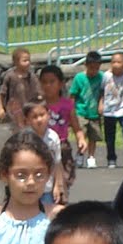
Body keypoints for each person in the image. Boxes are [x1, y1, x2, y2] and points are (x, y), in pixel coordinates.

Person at [40, 63, 82, 203]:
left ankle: (61, 204)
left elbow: (75, 124)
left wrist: (80, 138)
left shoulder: (67, 104)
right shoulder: (39, 105)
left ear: (60, 84)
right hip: (42, 146)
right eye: (44, 82)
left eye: (52, 82)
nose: (48, 86)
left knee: (64, 178)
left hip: (62, 147)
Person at [68, 51, 104, 171]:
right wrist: (70, 111)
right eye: (92, 68)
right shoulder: (79, 78)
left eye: (97, 68)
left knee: (93, 136)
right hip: (81, 111)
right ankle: (80, 154)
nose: (94, 71)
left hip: (94, 112)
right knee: (81, 134)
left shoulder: (101, 77)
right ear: (86, 65)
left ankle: (91, 157)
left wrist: (101, 104)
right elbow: (73, 95)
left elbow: (103, 93)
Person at [0, 47, 43, 129]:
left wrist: (40, 97)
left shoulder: (32, 77)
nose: (28, 63)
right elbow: (2, 93)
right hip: (15, 110)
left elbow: (38, 90)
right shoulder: (10, 77)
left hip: (29, 108)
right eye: (25, 61)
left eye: (29, 60)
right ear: (16, 62)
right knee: (18, 130)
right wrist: (1, 108)